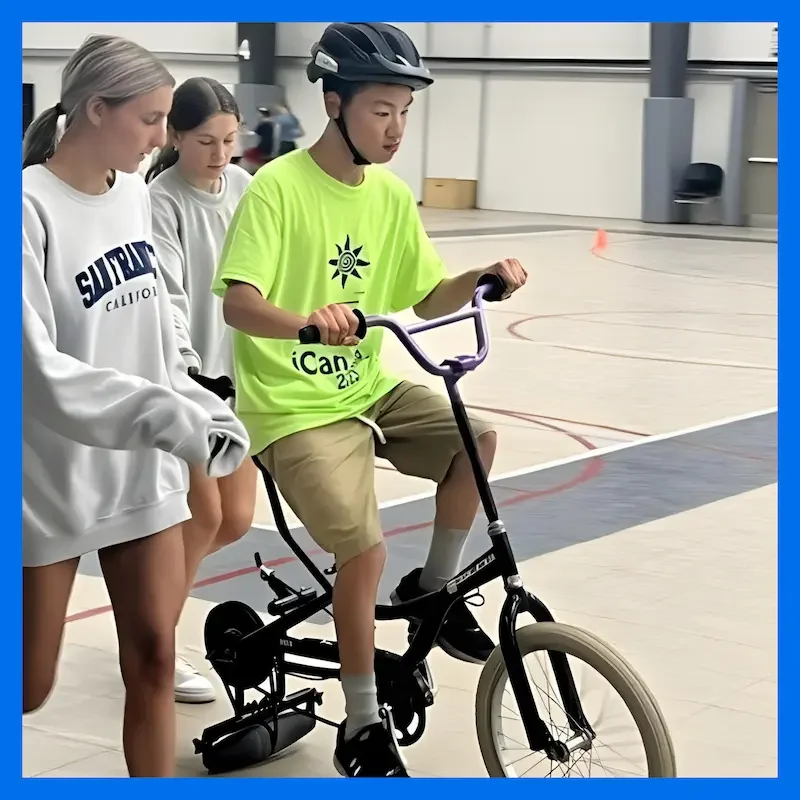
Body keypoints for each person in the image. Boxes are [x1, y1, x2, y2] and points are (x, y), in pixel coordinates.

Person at [212, 22, 527, 778]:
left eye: (404, 114)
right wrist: (306, 326)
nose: (396, 129)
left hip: (369, 387)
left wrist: (482, 277)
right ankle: (360, 722)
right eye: (382, 111)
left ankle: (435, 593)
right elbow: (238, 305)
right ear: (334, 101)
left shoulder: (388, 196)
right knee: (363, 546)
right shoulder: (277, 190)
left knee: (474, 440)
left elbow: (424, 298)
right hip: (292, 405)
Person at [22, 35, 250, 778]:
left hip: (143, 475)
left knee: (153, 660)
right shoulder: (27, 209)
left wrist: (197, 398)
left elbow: (158, 324)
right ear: (96, 110)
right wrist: (167, 414)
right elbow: (40, 374)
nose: (162, 137)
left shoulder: (130, 196)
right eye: (152, 120)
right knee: (28, 685)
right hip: (52, 482)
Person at [145, 77, 257, 705]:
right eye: (205, 141)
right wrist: (190, 372)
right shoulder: (160, 200)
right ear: (176, 137)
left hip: (240, 382)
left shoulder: (243, 188)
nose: (219, 154)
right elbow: (168, 295)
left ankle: (147, 604)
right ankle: (156, 643)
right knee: (204, 514)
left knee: (235, 519)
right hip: (190, 386)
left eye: (230, 141)